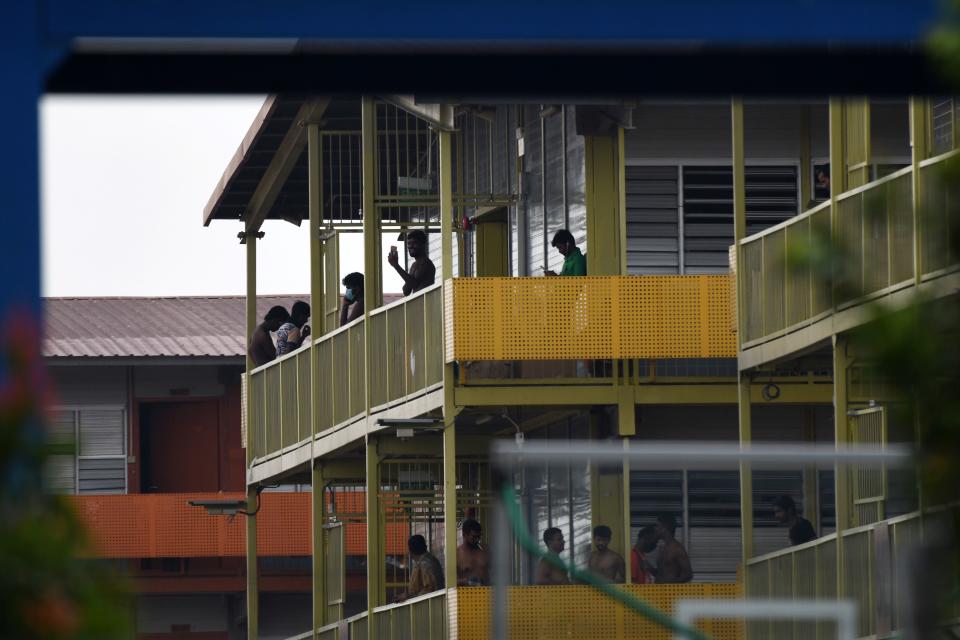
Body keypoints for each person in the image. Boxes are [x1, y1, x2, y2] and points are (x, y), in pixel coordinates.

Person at [395, 535, 444, 602]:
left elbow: (429, 590)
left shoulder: (425, 564)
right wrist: (407, 595)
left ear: (411, 552)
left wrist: (409, 597)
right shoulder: (429, 560)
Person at [388, 229, 436, 296]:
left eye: (414, 243)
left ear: (423, 244)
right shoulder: (414, 265)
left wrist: (396, 265)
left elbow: (413, 284)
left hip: (426, 303)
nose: (411, 246)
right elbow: (406, 291)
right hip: (418, 303)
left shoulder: (426, 263)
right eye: (409, 243)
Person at [652, 514, 692, 583]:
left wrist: (671, 586)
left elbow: (688, 574)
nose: (655, 529)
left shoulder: (677, 549)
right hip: (659, 592)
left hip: (670, 593)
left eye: (657, 526)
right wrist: (649, 568)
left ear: (664, 528)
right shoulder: (662, 548)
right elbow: (662, 574)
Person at [457, 518, 490, 586]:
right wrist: (466, 581)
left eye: (479, 536)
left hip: (485, 593)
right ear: (464, 535)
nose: (477, 540)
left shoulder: (484, 551)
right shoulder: (457, 554)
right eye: (474, 537)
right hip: (465, 595)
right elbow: (449, 583)